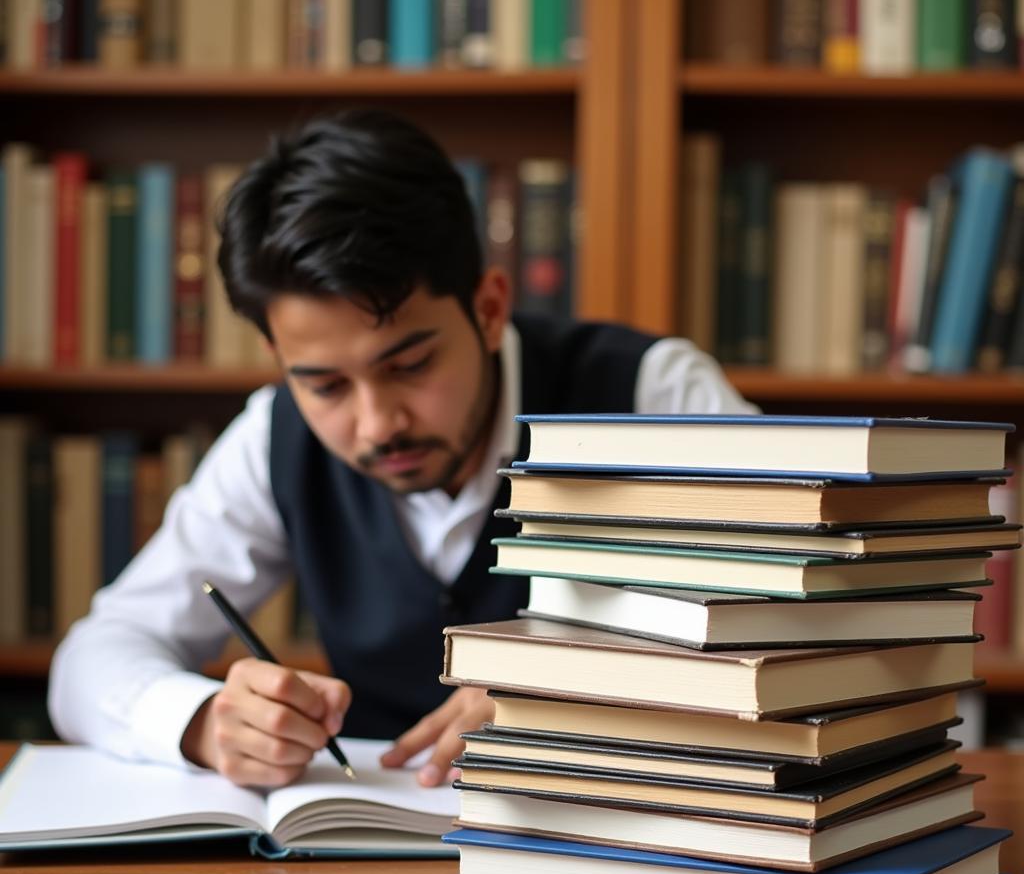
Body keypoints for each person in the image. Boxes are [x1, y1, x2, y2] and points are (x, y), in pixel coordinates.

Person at [48, 109, 757, 790]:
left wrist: (595, 689)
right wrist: (204, 722)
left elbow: (819, 637)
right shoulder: (274, 436)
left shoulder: (653, 394)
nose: (377, 424)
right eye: (325, 384)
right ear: (277, 354)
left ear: (488, 308)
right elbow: (92, 660)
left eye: (410, 366)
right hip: (366, 870)